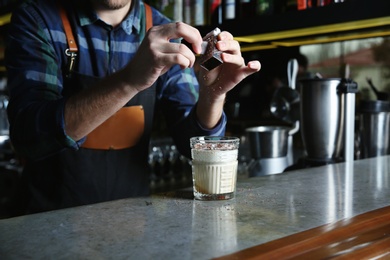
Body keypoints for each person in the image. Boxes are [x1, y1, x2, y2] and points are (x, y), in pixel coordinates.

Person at [5, 0, 260, 214]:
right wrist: (129, 81)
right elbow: (29, 136)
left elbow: (191, 144)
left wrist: (213, 94)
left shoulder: (165, 30)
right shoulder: (38, 19)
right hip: (47, 223)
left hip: (132, 221)